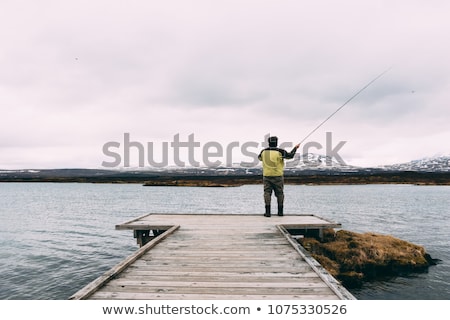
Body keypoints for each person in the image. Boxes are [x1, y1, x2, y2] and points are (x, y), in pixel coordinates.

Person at [258, 136, 299, 217]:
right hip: (278, 176)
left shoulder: (263, 151)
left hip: (266, 175)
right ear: (276, 142)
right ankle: (280, 212)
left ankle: (267, 212)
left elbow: (260, 158)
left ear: (268, 142)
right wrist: (295, 148)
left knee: (267, 193)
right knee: (279, 193)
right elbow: (290, 156)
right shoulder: (280, 151)